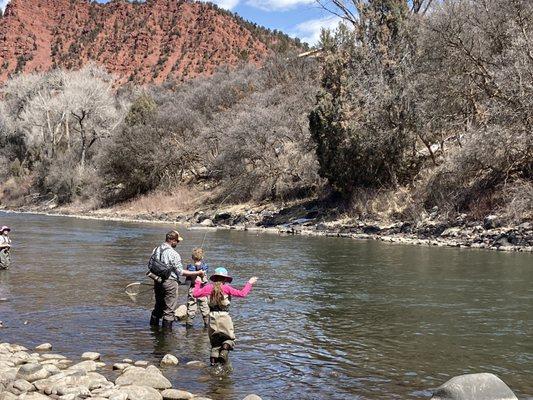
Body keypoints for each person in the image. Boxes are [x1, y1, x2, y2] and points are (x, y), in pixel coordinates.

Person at [193, 267, 258, 366]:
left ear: (214, 278)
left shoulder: (208, 288)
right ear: (225, 279)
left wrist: (197, 282)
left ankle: (213, 366)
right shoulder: (227, 288)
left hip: (213, 317)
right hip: (224, 317)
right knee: (229, 339)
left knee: (215, 344)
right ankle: (224, 351)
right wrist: (249, 283)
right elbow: (242, 294)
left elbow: (195, 294)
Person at [149, 230, 204, 330]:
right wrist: (198, 273)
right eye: (177, 241)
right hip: (170, 283)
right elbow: (180, 272)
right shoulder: (174, 254)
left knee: (157, 307)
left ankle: (153, 331)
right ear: (172, 240)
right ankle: (166, 337)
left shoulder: (155, 249)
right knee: (169, 311)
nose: (178, 243)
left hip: (157, 281)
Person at [185, 248, 210, 328]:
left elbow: (187, 280)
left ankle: (188, 327)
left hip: (193, 290)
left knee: (191, 309)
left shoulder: (190, 268)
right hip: (203, 290)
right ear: (202, 258)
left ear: (192, 258)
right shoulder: (205, 267)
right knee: (205, 309)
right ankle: (207, 327)